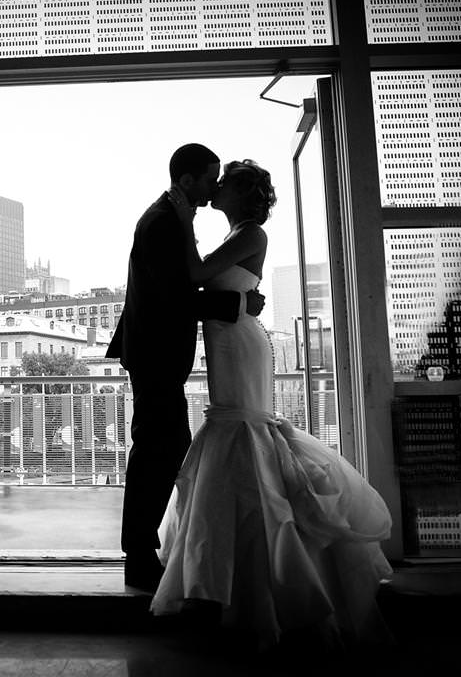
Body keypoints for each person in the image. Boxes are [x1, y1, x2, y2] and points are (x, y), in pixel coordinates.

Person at [152, 159, 394, 652]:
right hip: (229, 336)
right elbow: (205, 285)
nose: (215, 189)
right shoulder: (241, 233)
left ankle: (253, 569)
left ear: (241, 195)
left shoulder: (251, 234)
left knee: (242, 428)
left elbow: (196, 275)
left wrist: (183, 221)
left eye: (225, 184)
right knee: (238, 429)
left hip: (237, 341)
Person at [107, 143, 264, 593]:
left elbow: (182, 284)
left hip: (157, 353)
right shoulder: (163, 223)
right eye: (211, 177)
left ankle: (140, 550)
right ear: (189, 180)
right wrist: (239, 301)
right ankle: (138, 555)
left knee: (162, 446)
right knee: (159, 447)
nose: (215, 186)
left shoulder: (170, 218)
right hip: (155, 353)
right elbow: (175, 295)